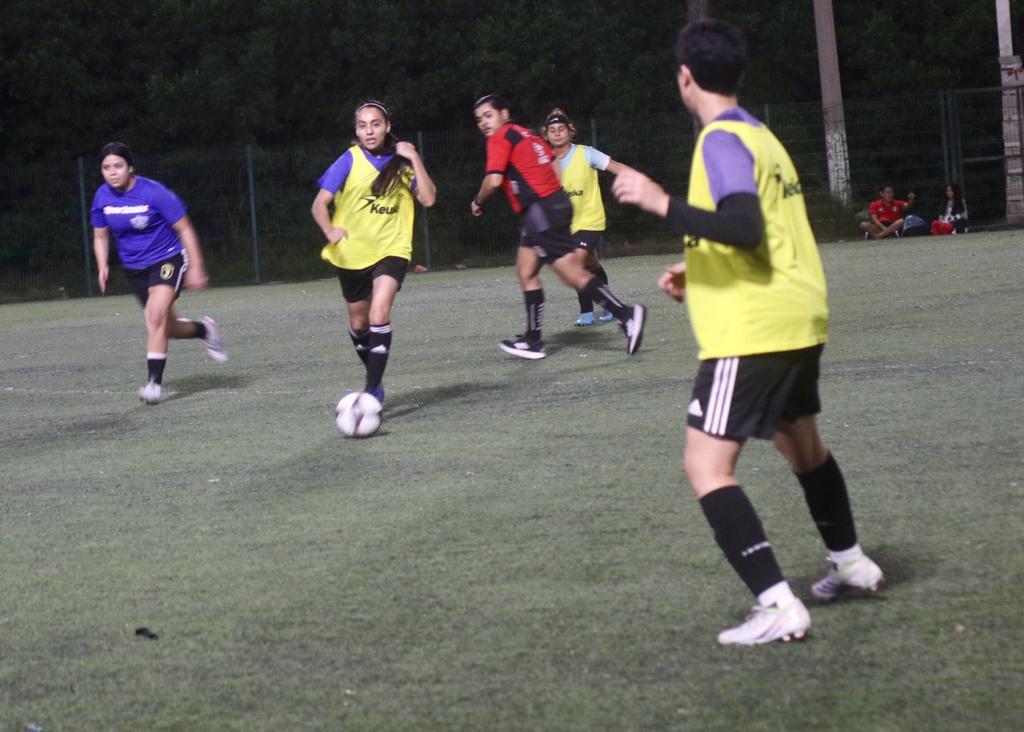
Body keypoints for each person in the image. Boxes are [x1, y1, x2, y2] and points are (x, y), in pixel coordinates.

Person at [612, 20, 884, 646]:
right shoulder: (762, 136)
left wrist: (657, 202)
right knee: (803, 447)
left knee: (706, 465)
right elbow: (764, 231)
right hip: (798, 314)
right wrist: (700, 266)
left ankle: (776, 604)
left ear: (685, 75)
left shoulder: (720, 141)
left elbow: (744, 225)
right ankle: (850, 563)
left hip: (753, 331)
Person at [470, 94, 646, 360]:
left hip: (542, 212)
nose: (484, 122)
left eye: (488, 115)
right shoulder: (526, 135)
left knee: (571, 273)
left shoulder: (501, 137)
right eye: (479, 119)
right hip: (551, 207)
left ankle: (626, 315)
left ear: (504, 114)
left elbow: (493, 181)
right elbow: (551, 163)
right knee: (526, 270)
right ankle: (533, 340)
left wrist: (477, 200)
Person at [311, 101, 436, 406]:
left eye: (375, 124)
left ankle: (372, 390)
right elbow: (318, 204)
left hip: (391, 250)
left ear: (387, 126)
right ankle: (374, 378)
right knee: (359, 324)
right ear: (356, 130)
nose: (369, 130)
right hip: (351, 254)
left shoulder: (402, 162)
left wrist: (415, 157)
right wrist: (329, 231)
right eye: (362, 125)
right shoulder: (348, 160)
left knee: (380, 313)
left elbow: (429, 199)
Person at [91, 142, 227, 405]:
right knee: (168, 327)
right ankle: (204, 331)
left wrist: (197, 266)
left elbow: (185, 228)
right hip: (135, 269)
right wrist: (102, 265)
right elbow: (99, 235)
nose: (112, 172)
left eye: (118, 166)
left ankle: (154, 384)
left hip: (168, 258)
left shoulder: (154, 193)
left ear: (130, 167)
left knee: (154, 317)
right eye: (106, 167)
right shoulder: (102, 197)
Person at [542, 108, 636, 327]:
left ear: (570, 131)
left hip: (590, 220)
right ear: (546, 135)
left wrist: (636, 178)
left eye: (561, 129)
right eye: (552, 130)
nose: (557, 133)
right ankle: (610, 305)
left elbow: (615, 166)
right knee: (590, 263)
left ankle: (587, 311)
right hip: (565, 226)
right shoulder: (544, 162)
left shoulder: (586, 153)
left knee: (575, 263)